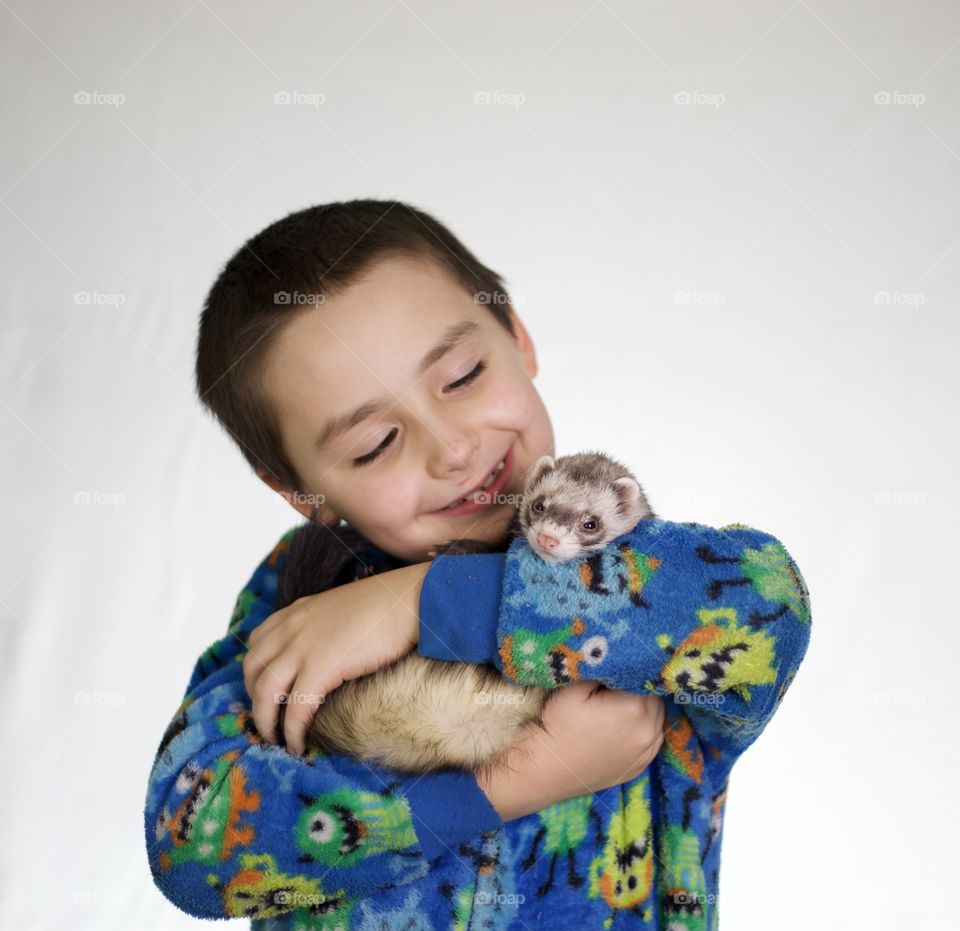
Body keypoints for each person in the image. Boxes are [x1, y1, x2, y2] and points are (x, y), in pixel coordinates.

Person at [144, 199, 810, 929]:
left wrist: (423, 601)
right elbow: (190, 845)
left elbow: (769, 604)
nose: (453, 448)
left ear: (517, 336)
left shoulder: (639, 562)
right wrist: (508, 784)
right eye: (373, 444)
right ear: (298, 489)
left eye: (461, 375)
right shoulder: (303, 594)